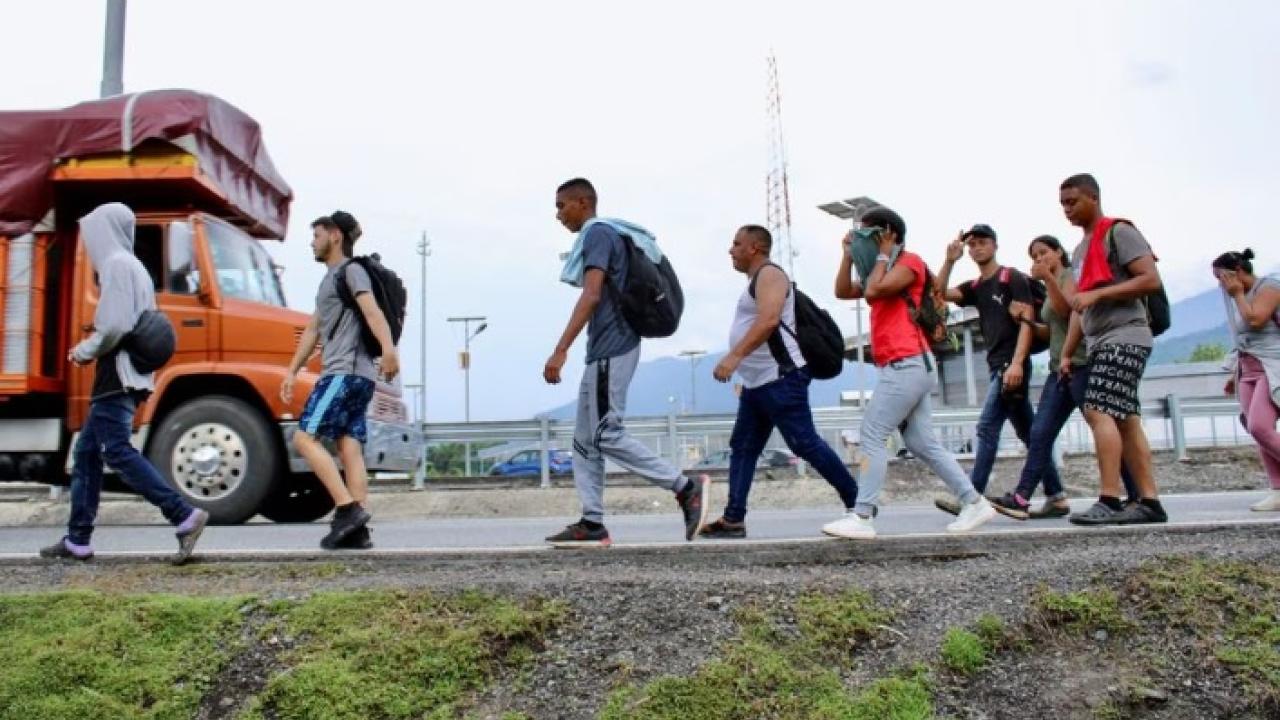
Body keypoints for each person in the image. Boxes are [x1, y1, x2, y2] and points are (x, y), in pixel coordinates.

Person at [543, 178, 708, 547]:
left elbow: (591, 294)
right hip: (603, 349)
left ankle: (684, 486)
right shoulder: (605, 234)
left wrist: (560, 349)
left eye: (561, 206)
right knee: (584, 440)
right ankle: (592, 522)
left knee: (605, 432)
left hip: (612, 346)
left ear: (583, 202)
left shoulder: (597, 234)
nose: (557, 215)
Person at [40, 203, 208, 563]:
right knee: (87, 453)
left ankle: (183, 514)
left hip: (116, 372)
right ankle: (77, 540)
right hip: (130, 373)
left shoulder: (117, 266)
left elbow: (114, 326)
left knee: (115, 450)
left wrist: (83, 351)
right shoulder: (136, 268)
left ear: (105, 230)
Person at [823, 206, 997, 539]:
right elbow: (843, 291)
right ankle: (973, 502)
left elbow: (874, 291)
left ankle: (862, 516)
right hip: (905, 364)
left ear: (887, 234)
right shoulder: (881, 267)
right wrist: (847, 256)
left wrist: (883, 254)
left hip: (908, 362)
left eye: (867, 233)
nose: (862, 238)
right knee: (921, 442)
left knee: (872, 434)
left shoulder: (909, 263)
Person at [700, 225, 860, 538]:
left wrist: (734, 357)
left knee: (804, 443)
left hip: (781, 379)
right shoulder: (755, 280)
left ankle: (859, 503)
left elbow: (769, 319)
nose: (730, 250)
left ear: (755, 248)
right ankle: (733, 519)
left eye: (736, 244)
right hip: (758, 383)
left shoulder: (770, 275)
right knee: (743, 447)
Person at [991, 236, 1138, 519]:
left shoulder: (1070, 277)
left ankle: (1134, 493)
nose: (1039, 259)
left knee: (1104, 431)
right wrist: (1026, 323)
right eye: (1034, 256)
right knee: (1040, 432)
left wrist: (1047, 278)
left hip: (1082, 365)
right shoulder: (1051, 286)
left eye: (1043, 253)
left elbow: (1070, 312)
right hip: (1060, 369)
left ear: (1059, 252)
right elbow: (1051, 330)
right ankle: (1022, 496)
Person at [282, 211, 398, 550]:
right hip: (358, 376)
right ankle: (358, 531)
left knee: (304, 439)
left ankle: (347, 510)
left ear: (335, 236)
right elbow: (313, 330)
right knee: (349, 447)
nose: (311, 243)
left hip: (343, 372)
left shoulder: (350, 271)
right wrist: (292, 370)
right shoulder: (330, 280)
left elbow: (372, 310)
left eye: (316, 235)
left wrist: (389, 350)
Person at [1058, 173, 1165, 525]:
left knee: (1098, 408)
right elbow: (1079, 306)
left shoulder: (1119, 232)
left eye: (1072, 202)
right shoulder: (1079, 250)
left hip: (1126, 335)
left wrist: (1100, 293)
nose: (1067, 210)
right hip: (1100, 339)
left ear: (1093, 197)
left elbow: (1150, 279)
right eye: (1062, 204)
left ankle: (1109, 498)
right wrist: (1066, 353)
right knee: (1126, 418)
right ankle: (1149, 501)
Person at [933, 224, 1044, 517]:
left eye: (982, 242)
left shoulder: (1012, 278)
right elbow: (939, 292)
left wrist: (1019, 363)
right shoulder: (977, 287)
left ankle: (971, 497)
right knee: (1030, 434)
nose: (976, 248)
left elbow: (1027, 323)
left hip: (1012, 364)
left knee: (986, 427)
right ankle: (1057, 495)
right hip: (998, 365)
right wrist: (950, 259)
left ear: (995, 245)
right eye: (972, 245)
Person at [1213, 249, 1280, 512]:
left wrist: (1237, 294)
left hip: (1271, 366)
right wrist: (1234, 373)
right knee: (1258, 432)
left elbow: (1255, 319)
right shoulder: (1233, 297)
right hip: (1248, 367)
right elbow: (1244, 338)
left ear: (1238, 272)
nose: (1221, 284)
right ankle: (1277, 489)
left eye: (1222, 277)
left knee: (1260, 427)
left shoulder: (1270, 286)